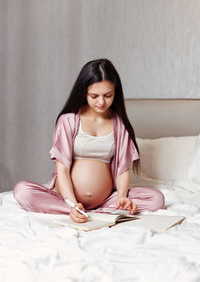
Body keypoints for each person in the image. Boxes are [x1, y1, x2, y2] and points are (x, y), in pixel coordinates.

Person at [14, 58, 164, 223]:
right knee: (22, 191)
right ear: (84, 93)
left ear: (116, 92)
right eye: (94, 96)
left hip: (105, 200)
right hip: (65, 199)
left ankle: (98, 210)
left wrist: (122, 197)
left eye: (108, 95)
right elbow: (62, 169)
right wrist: (71, 204)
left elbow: (122, 170)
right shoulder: (69, 120)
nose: (101, 102)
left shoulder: (118, 124)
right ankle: (74, 210)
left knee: (156, 198)